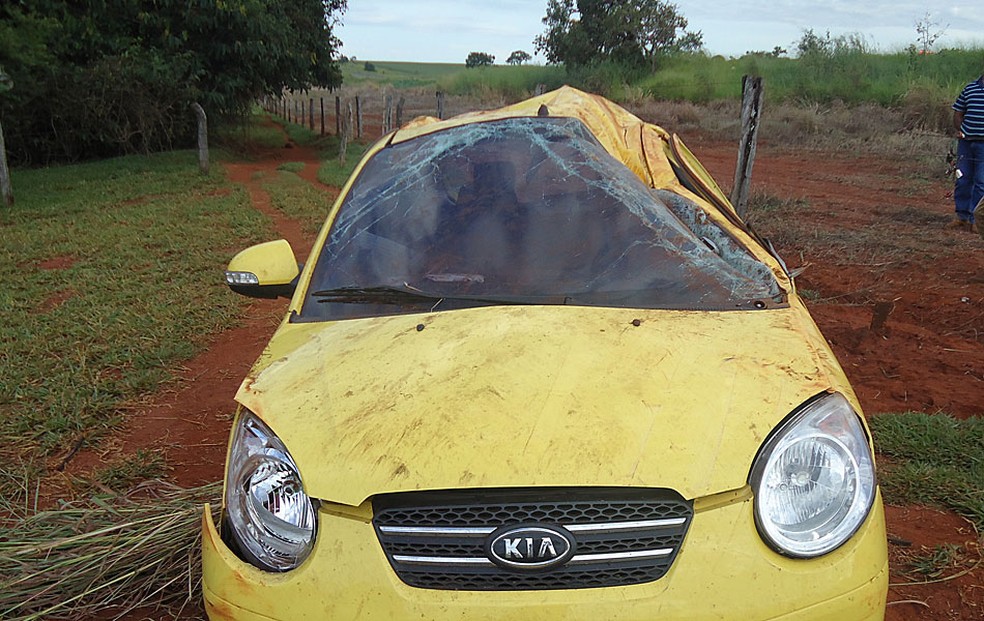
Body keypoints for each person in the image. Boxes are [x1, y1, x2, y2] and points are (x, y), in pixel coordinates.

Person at [952, 74, 984, 234]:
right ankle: (961, 216)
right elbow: (958, 112)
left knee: (981, 182)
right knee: (962, 178)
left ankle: (975, 220)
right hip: (966, 143)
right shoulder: (970, 88)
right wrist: (960, 129)